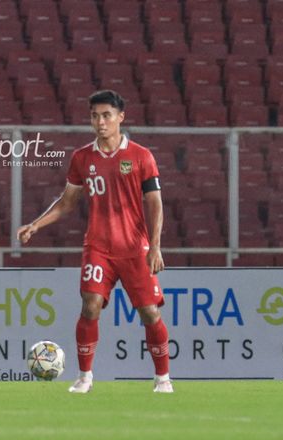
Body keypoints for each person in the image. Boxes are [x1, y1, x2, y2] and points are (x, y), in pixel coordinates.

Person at [17, 90, 173, 393]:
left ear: (120, 118)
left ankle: (163, 378)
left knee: (149, 312)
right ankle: (85, 377)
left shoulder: (141, 156)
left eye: (106, 115)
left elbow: (154, 202)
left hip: (134, 248)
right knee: (90, 305)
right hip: (98, 247)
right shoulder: (82, 157)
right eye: (94, 116)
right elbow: (66, 202)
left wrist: (154, 246)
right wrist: (35, 225)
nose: (99, 122)